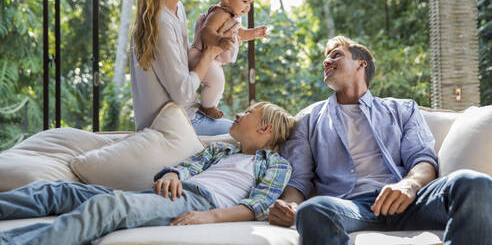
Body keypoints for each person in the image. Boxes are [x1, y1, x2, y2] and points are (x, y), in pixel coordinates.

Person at [268, 35, 492, 245]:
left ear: (361, 63)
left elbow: (422, 160)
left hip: (408, 200)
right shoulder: (308, 119)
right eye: (326, 58)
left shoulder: (402, 109)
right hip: (350, 206)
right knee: (313, 210)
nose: (327, 62)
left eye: (336, 55)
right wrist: (290, 206)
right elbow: (299, 180)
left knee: (475, 183)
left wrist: (408, 185)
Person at [0, 102, 296, 245]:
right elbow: (189, 166)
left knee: (109, 207)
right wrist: (174, 175)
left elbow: (258, 205)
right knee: (60, 190)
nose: (240, 114)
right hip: (171, 193)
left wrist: (211, 216)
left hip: (201, 202)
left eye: (248, 113)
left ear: (264, 128)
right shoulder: (221, 150)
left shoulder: (276, 165)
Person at [130, 0, 237, 135]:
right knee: (250, 139)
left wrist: (207, 43)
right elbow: (182, 94)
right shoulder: (160, 21)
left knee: (253, 131)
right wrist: (209, 53)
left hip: (187, 117)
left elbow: (182, 68)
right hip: (170, 128)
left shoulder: (177, 10)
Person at [189, 0, 268, 119]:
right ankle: (206, 107)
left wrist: (255, 33)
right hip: (200, 55)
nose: (248, 7)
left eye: (250, 3)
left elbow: (239, 34)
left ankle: (209, 106)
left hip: (211, 59)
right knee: (217, 82)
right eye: (245, 1)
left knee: (219, 84)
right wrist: (219, 40)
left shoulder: (231, 17)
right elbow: (207, 30)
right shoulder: (220, 13)